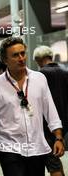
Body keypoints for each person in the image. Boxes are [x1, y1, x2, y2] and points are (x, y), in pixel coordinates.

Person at [0, 37, 65, 176]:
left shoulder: (39, 79)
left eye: (23, 53)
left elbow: (51, 111)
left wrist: (58, 138)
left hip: (37, 148)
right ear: (5, 60)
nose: (21, 58)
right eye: (15, 55)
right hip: (10, 150)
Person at [33, 45, 68, 176]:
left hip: (47, 124)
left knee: (53, 161)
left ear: (38, 59)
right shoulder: (65, 72)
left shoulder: (40, 75)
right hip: (64, 123)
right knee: (55, 158)